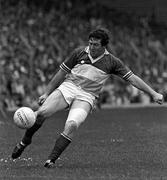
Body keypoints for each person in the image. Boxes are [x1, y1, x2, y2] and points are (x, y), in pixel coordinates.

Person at [11, 28, 164, 168]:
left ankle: (51, 160)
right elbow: (61, 73)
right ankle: (25, 141)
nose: (91, 47)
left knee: (72, 125)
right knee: (42, 113)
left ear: (104, 46)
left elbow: (132, 79)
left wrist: (153, 93)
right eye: (90, 43)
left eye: (95, 44)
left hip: (87, 96)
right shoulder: (78, 53)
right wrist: (46, 93)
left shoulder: (112, 62)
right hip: (68, 88)